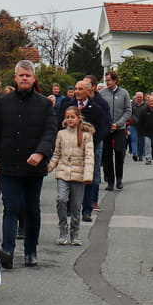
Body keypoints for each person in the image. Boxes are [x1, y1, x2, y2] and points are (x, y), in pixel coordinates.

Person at [0, 60, 55, 269]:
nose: (25, 78)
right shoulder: (3, 103)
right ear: (15, 78)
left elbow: (50, 132)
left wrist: (41, 153)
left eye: (28, 75)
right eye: (21, 75)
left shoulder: (44, 104)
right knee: (10, 208)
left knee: (32, 209)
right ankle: (7, 250)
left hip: (34, 167)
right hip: (9, 165)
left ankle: (31, 251)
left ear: (34, 78)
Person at [48, 105, 94, 246]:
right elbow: (56, 153)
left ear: (78, 118)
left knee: (76, 206)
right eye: (67, 117)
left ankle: (75, 233)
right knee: (61, 199)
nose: (70, 119)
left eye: (72, 117)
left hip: (79, 175)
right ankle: (63, 230)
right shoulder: (61, 134)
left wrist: (88, 175)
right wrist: (49, 167)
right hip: (62, 172)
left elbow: (89, 156)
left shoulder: (86, 135)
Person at [71, 79, 111, 220]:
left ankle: (87, 209)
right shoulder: (68, 106)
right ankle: (72, 206)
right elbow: (59, 123)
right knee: (72, 176)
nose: (77, 92)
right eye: (76, 89)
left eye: (80, 89)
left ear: (88, 91)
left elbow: (104, 126)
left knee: (89, 177)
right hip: (71, 148)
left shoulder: (96, 108)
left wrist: (93, 141)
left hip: (91, 147)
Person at [98, 70, 131, 192]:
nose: (107, 82)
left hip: (119, 128)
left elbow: (128, 111)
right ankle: (110, 181)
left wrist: (118, 124)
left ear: (115, 80)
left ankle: (119, 179)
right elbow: (99, 110)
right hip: (106, 129)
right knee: (107, 156)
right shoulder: (102, 93)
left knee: (119, 153)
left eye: (109, 80)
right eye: (106, 80)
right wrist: (105, 123)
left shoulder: (124, 93)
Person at [130, 92, 148, 161]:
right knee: (134, 139)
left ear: (143, 97)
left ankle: (140, 155)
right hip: (133, 125)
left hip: (142, 125)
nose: (139, 98)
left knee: (141, 140)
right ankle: (135, 154)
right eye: (138, 97)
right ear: (136, 97)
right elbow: (130, 113)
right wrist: (135, 119)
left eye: (140, 97)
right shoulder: (132, 104)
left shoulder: (146, 105)